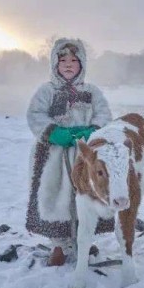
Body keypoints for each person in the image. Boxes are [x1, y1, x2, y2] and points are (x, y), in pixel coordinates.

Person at [26, 38, 115, 266]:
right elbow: (35, 115)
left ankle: (84, 238)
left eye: (74, 60)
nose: (68, 64)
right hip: (53, 156)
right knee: (54, 197)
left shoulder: (92, 92)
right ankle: (58, 244)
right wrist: (55, 133)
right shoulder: (46, 91)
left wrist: (92, 131)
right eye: (62, 59)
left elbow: (104, 115)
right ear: (54, 63)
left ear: (82, 64)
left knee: (86, 195)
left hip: (84, 156)